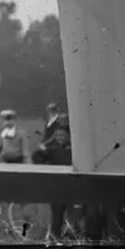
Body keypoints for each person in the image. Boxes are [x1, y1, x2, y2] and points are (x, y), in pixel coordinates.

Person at [32, 102, 74, 240]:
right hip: (58, 188)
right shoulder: (54, 151)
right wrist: (40, 152)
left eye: (62, 136)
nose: (60, 138)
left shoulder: (75, 153)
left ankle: (72, 236)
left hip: (73, 188)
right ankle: (55, 237)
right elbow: (37, 157)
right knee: (57, 214)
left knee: (73, 215)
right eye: (58, 136)